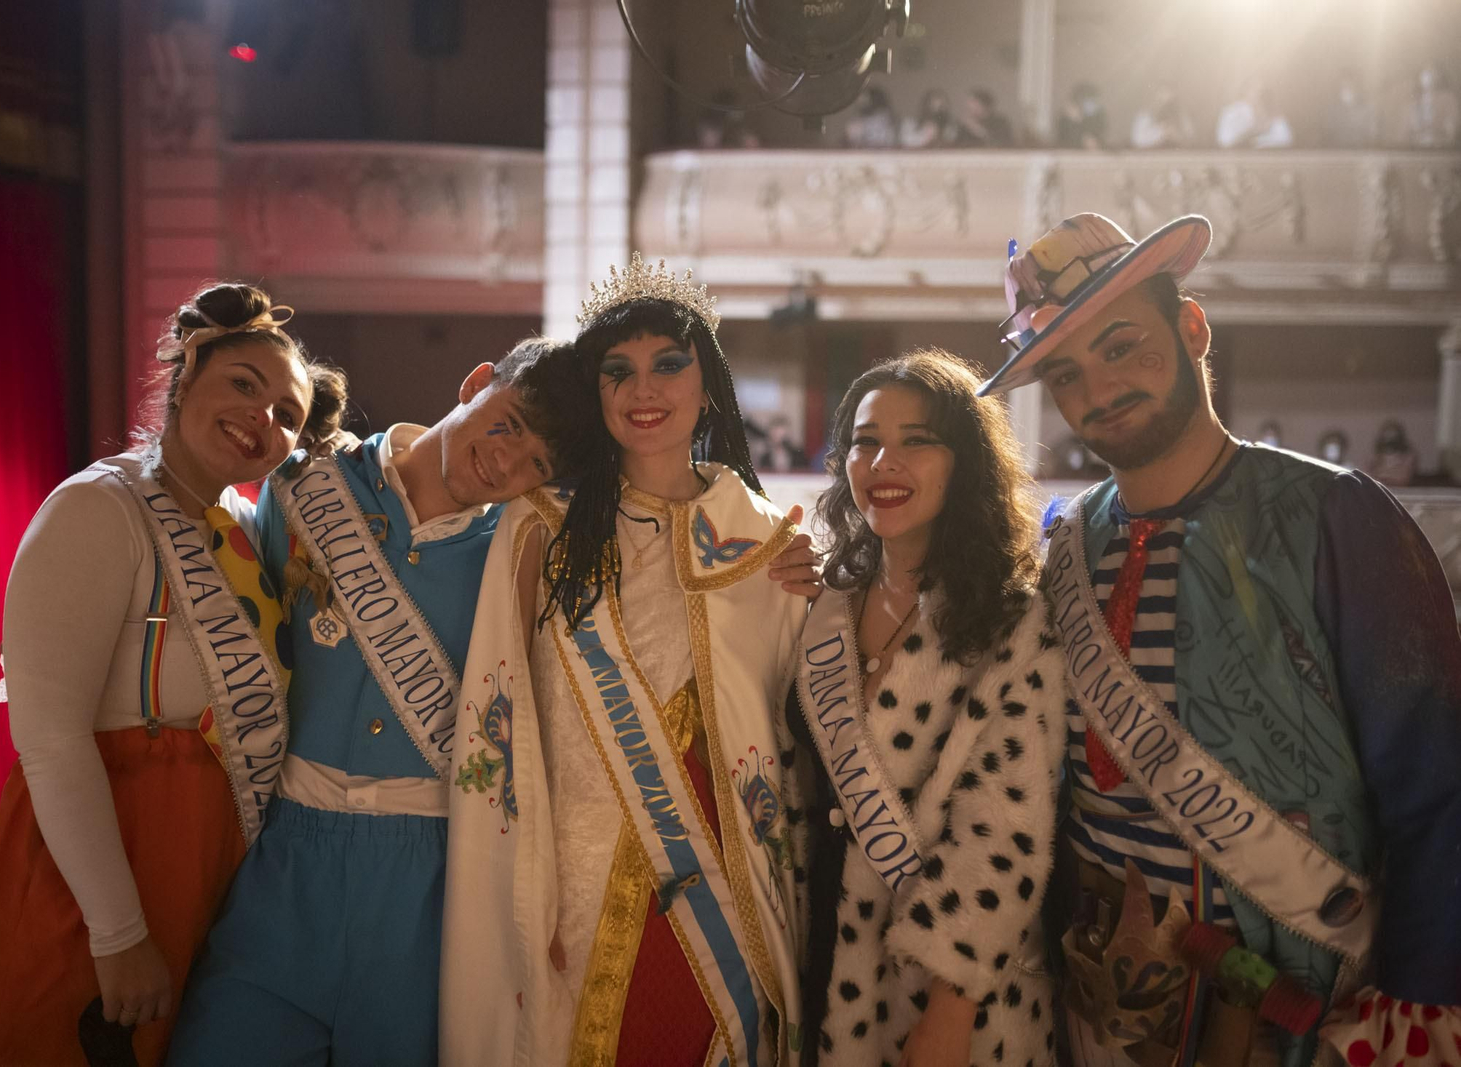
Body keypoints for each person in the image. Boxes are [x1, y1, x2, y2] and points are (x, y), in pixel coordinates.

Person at [170, 326, 820, 1065]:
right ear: (477, 381)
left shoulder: (529, 549)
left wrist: (787, 564)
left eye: (535, 461)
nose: (504, 457)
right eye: (505, 421)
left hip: (428, 875)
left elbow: (667, 564)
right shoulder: (308, 487)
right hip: (287, 860)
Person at [981, 211, 1461, 1066]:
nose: (1098, 388)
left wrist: (1419, 1005)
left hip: (1305, 1012)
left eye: (1123, 345)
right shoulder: (1063, 543)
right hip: (1106, 1013)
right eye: (1067, 373)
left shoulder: (1341, 518)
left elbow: (1438, 791)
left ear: (1193, 326)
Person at [441, 254, 819, 1065]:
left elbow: (806, 738)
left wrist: (833, 592)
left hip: (733, 906)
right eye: (619, 371)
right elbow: (498, 717)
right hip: (567, 905)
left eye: (668, 364)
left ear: (707, 383)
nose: (643, 390)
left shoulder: (770, 548)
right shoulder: (539, 524)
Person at [0, 282, 349, 1065]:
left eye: (287, 415)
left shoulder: (244, 528)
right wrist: (118, 931)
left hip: (206, 867)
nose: (262, 419)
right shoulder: (97, 509)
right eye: (245, 384)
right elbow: (50, 739)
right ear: (183, 377)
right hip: (102, 868)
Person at [795, 350, 1067, 1067]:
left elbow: (1006, 836)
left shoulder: (1014, 619)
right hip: (821, 955)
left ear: (965, 463)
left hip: (950, 993)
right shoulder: (827, 603)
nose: (885, 461)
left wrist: (950, 1011)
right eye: (865, 440)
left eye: (918, 440)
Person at [1216, 78, 1293, 148]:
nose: (1259, 95)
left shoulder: (1273, 112)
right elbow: (1225, 141)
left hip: (1269, 157)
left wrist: (1259, 141)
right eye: (1255, 90)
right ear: (1246, 91)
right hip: (1238, 158)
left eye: (1262, 92)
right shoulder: (1231, 112)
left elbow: (1286, 139)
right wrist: (1253, 132)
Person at [1407, 62, 1460, 148]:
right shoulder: (1414, 103)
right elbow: (1410, 132)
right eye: (1425, 73)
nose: (1428, 76)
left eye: (1431, 72)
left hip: (1441, 149)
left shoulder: (1448, 100)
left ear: (1437, 76)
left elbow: (1451, 131)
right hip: (1417, 150)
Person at [1129, 85, 1195, 150]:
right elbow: (1138, 142)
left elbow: (1191, 141)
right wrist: (1162, 132)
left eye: (1170, 102)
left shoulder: (1182, 117)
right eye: (1161, 100)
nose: (1165, 105)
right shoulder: (1144, 116)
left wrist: (1177, 137)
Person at [1058, 82, 1108, 150]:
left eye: (1094, 100)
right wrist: (1075, 120)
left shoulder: (1099, 116)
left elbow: (1097, 139)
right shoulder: (1065, 120)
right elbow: (1065, 140)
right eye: (1087, 100)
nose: (1092, 104)